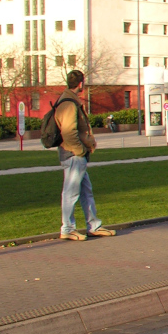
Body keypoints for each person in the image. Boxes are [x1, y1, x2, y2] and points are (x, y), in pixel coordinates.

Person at [54, 70, 115, 241]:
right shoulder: (68, 103)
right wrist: (80, 150)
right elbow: (69, 131)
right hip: (73, 154)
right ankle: (67, 228)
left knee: (85, 191)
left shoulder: (70, 101)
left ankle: (94, 225)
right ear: (81, 84)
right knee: (70, 192)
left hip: (75, 154)